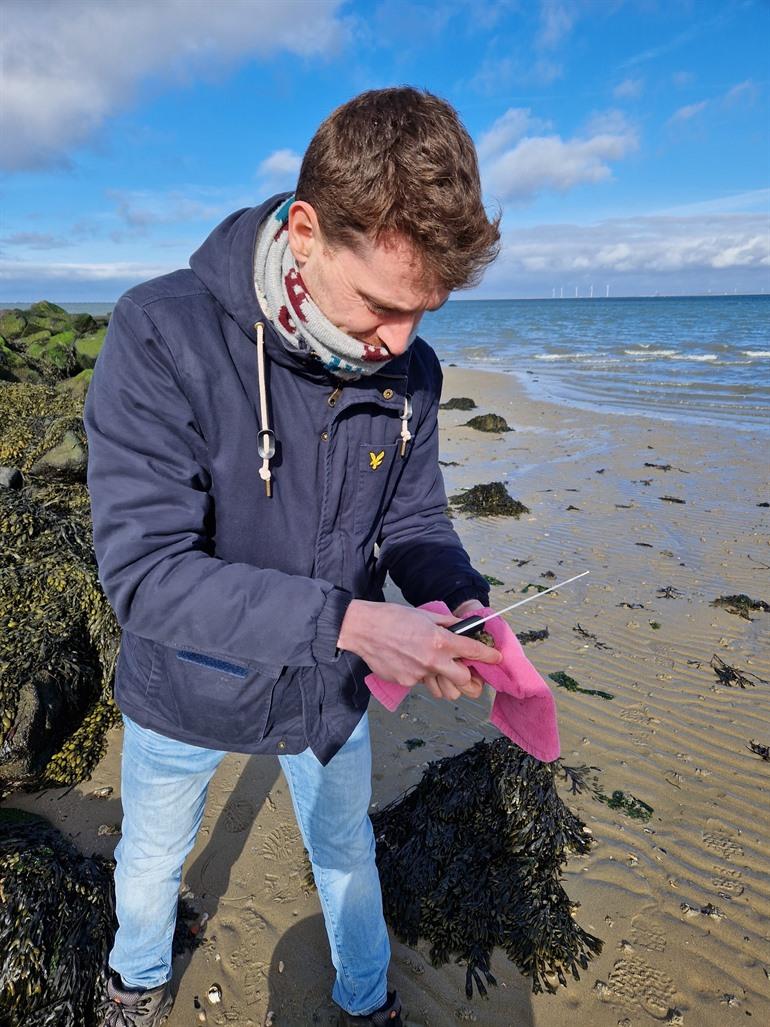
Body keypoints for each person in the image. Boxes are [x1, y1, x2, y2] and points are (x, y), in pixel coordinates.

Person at [84, 86, 501, 1027]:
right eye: (385, 308)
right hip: (182, 688)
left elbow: (418, 523)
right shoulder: (160, 333)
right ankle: (136, 982)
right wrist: (352, 621)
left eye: (425, 313)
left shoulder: (409, 373)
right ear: (305, 232)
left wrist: (461, 604)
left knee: (347, 850)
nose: (401, 343)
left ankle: (365, 1002)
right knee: (152, 859)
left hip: (328, 695)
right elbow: (146, 577)